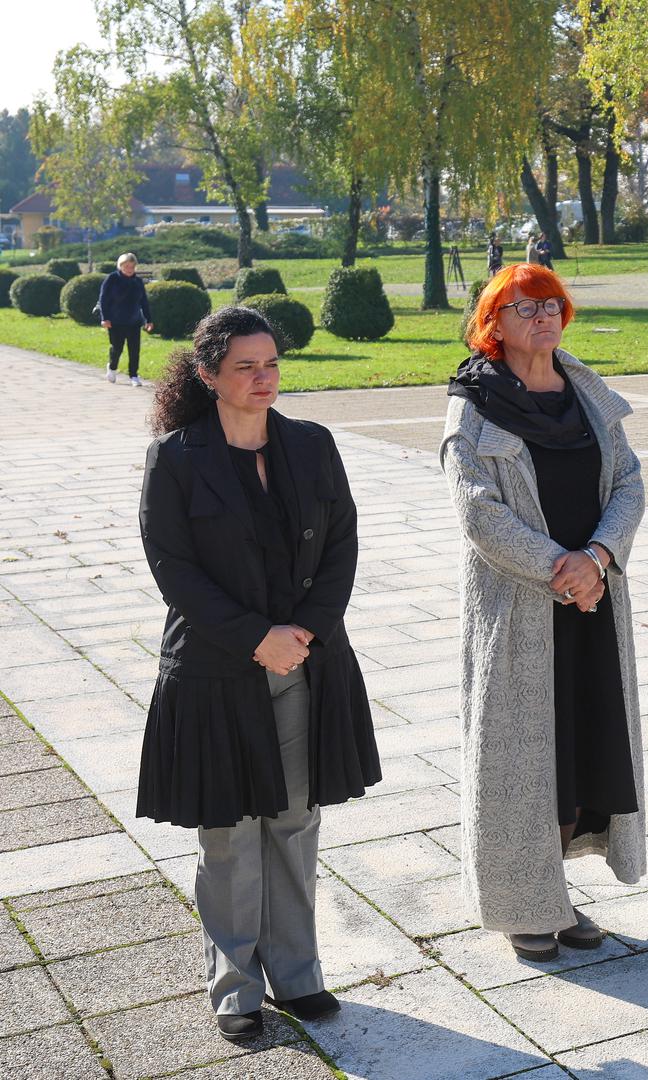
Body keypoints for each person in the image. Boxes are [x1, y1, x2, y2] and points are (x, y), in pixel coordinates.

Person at [137, 306, 381, 1042]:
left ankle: (297, 972)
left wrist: (301, 632)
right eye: (245, 366)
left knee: (296, 821)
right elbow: (173, 570)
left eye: (270, 363)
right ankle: (235, 985)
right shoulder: (176, 457)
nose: (263, 377)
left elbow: (342, 544)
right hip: (215, 672)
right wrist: (256, 639)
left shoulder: (312, 445)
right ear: (208, 375)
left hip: (308, 659)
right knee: (229, 833)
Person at [441, 262, 647, 961]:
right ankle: (519, 906)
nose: (543, 317)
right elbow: (477, 514)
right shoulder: (473, 404)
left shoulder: (586, 394)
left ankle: (552, 896)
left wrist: (596, 559)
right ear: (492, 322)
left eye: (552, 303)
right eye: (524, 307)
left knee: (578, 758)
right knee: (519, 764)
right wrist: (558, 571)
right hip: (520, 609)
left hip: (590, 604)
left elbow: (628, 482)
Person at [99, 252, 153, 386]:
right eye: (126, 266)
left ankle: (134, 375)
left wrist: (148, 320)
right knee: (117, 348)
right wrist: (105, 318)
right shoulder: (112, 279)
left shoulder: (137, 281)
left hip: (134, 321)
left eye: (132, 266)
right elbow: (103, 300)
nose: (129, 269)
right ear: (120, 266)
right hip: (115, 321)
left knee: (134, 350)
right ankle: (112, 367)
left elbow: (144, 302)